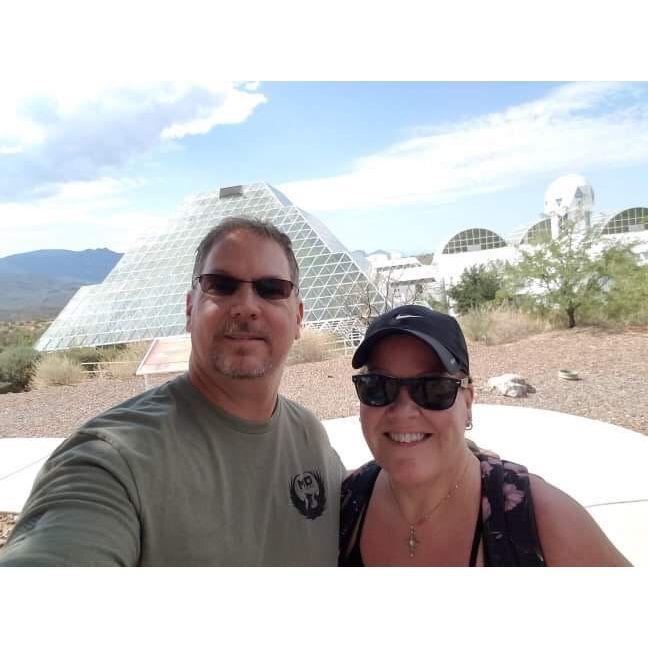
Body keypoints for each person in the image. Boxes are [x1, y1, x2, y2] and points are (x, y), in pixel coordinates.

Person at [0, 217, 346, 566]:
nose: (246, 306)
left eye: (272, 289)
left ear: (299, 317)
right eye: (221, 285)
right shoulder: (114, 460)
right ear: (189, 309)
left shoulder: (310, 436)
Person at [339, 304, 631, 566]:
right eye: (376, 385)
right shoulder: (341, 507)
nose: (403, 411)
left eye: (434, 387)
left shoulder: (542, 519)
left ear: (467, 402)